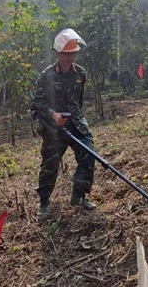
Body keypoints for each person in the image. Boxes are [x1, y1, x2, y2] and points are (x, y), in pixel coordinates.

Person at [31, 28, 96, 218]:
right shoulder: (47, 75)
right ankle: (44, 202)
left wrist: (75, 117)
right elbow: (38, 103)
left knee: (88, 152)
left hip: (76, 124)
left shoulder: (80, 74)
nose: (70, 58)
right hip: (54, 128)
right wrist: (53, 115)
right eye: (66, 54)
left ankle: (79, 196)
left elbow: (79, 101)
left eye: (73, 53)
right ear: (57, 53)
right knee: (50, 165)